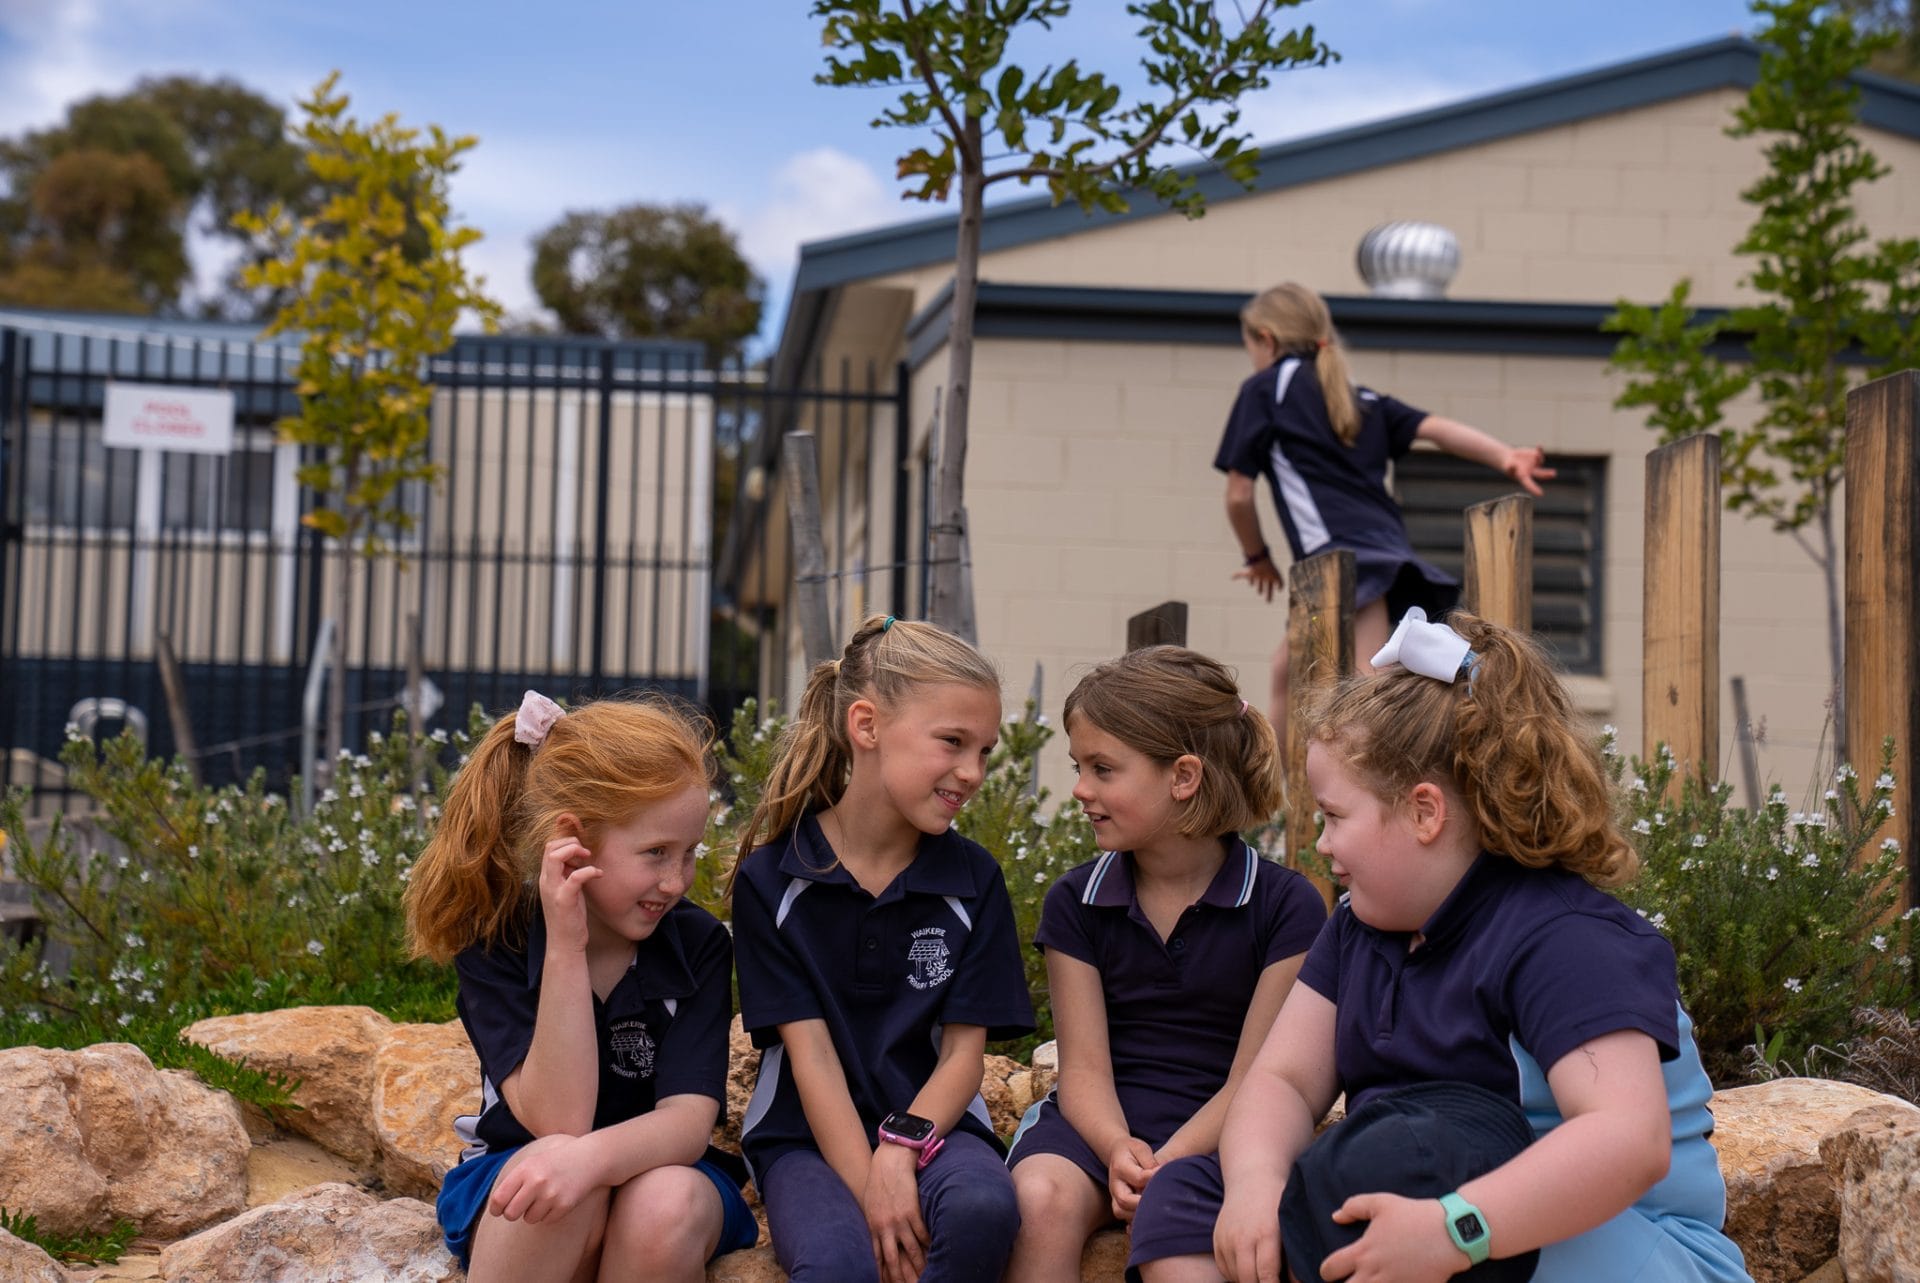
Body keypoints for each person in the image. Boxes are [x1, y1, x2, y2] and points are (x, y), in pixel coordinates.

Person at [1142, 610, 1751, 1283]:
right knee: (1190, 1195)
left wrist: (1458, 1229)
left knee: (1397, 1169)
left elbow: (1627, 1141)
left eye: (1335, 816)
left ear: (1425, 812)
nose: (1321, 845)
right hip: (1424, 1202)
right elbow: (1283, 1079)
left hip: (1613, 1243)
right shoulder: (1358, 927)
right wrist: (1256, 1185)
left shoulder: (1568, 938)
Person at [406, 692, 757, 1283]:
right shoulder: (497, 940)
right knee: (545, 1180)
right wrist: (565, 946)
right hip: (520, 1167)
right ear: (575, 839)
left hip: (659, 1167)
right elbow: (557, 1120)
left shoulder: (696, 945)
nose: (676, 881)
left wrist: (590, 1163)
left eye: (689, 853)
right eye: (655, 853)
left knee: (661, 1202)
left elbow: (688, 1122)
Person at [1002, 646, 1328, 1283]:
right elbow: (1085, 1070)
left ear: (1183, 776)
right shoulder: (1078, 900)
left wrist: (1167, 1163)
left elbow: (1257, 1082)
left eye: (1102, 769)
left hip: (1224, 1134)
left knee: (1177, 1239)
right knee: (1038, 1200)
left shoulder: (1285, 907)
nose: (1080, 789)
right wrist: (1117, 1150)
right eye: (1079, 767)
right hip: (1096, 1129)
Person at [729, 614, 1036, 1283]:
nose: (973, 771)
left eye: (984, 750)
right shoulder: (771, 881)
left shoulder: (973, 879)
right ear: (866, 726)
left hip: (937, 1125)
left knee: (982, 1207)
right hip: (804, 1139)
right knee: (841, 1264)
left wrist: (899, 1152)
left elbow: (963, 1053)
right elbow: (809, 1057)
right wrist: (873, 1187)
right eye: (953, 741)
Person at [1218, 281, 1556, 740]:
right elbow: (1436, 429)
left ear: (1266, 339)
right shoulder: (1361, 398)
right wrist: (1505, 457)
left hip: (1344, 560)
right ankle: (1274, 799)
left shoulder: (1266, 390)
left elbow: (1239, 495)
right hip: (1381, 554)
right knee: (1287, 670)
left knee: (1366, 680)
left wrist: (1257, 557)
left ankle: (1401, 768)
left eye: (1250, 346)